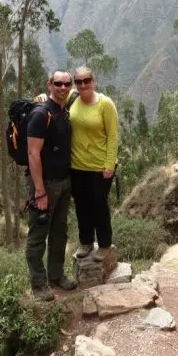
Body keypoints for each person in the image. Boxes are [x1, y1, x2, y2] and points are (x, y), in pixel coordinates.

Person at [25, 69, 78, 301]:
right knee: (38, 234)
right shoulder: (41, 114)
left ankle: (55, 276)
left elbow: (86, 92)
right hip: (44, 184)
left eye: (67, 84)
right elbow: (33, 154)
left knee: (59, 232)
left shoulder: (63, 109)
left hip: (64, 182)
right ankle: (38, 285)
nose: (63, 88)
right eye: (58, 84)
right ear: (49, 84)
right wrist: (39, 191)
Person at [69, 66, 119, 262]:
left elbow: (113, 136)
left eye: (86, 80)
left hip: (100, 167)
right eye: (79, 81)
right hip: (76, 165)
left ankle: (105, 245)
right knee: (81, 206)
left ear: (93, 81)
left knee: (99, 206)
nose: (83, 85)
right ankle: (86, 242)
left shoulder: (105, 104)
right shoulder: (72, 100)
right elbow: (53, 98)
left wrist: (109, 165)